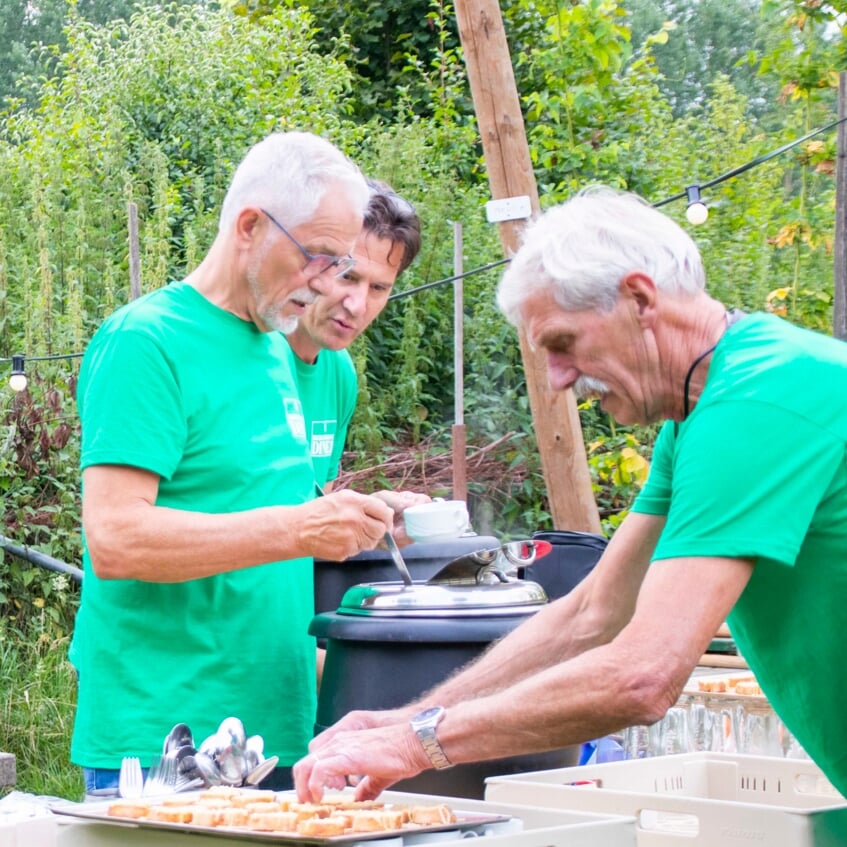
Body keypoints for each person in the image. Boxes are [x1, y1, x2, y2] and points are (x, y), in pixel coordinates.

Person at [294, 187, 847, 801]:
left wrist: (417, 744)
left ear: (639, 298)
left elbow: (642, 675)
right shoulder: (701, 409)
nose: (557, 379)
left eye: (562, 343)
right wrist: (406, 719)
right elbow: (594, 614)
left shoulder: (758, 402)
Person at [71, 132, 399, 795]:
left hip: (277, 737)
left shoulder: (279, 351)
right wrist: (301, 528)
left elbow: (259, 539)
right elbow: (115, 538)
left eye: (340, 262)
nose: (331, 285)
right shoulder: (147, 341)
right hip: (166, 744)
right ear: (249, 225)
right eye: (319, 258)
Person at [281, 181, 425, 494]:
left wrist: (375, 522)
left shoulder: (340, 371)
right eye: (348, 276)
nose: (358, 306)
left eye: (378, 288)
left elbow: (317, 506)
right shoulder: (248, 357)